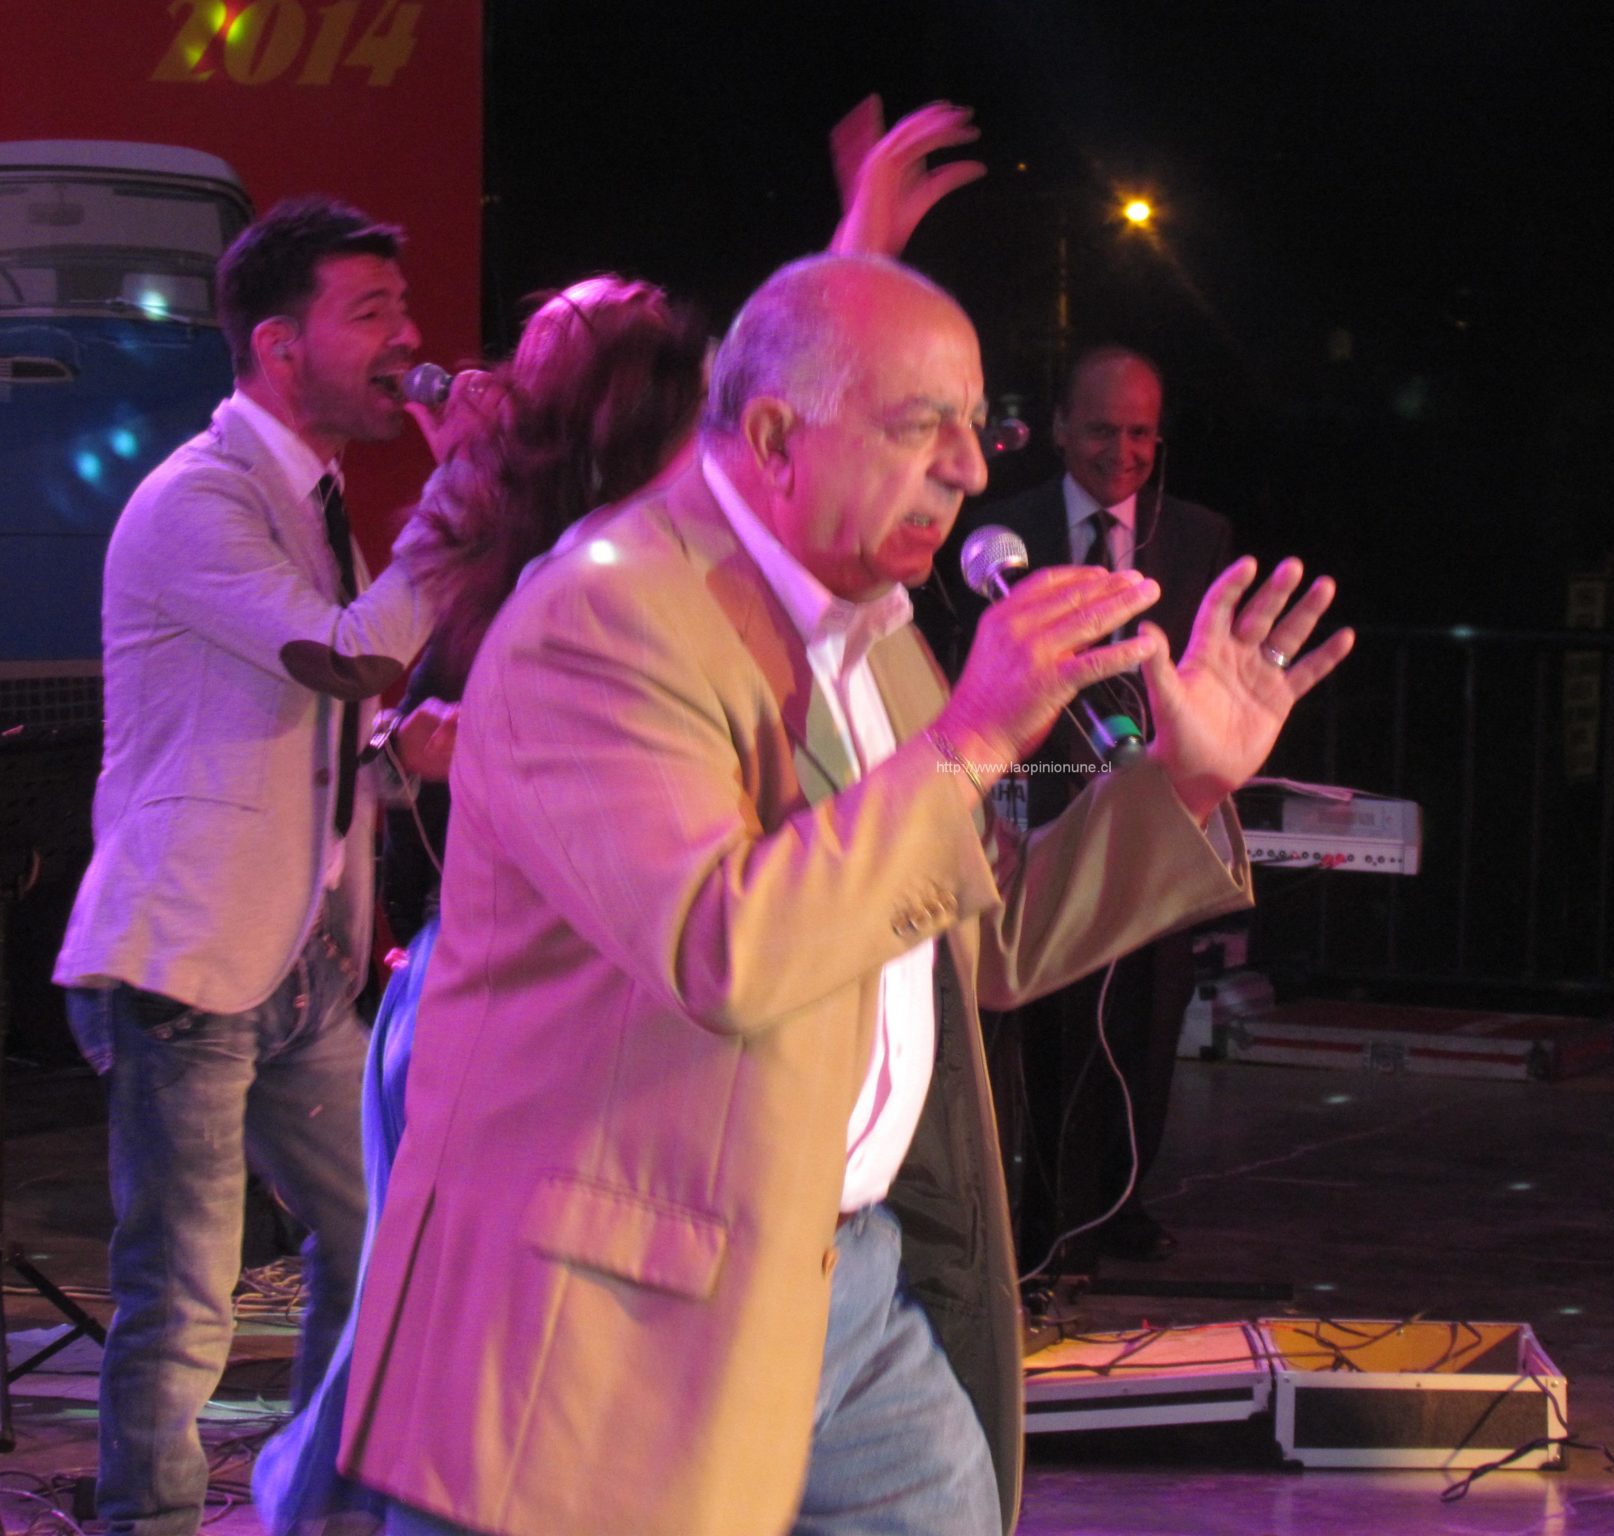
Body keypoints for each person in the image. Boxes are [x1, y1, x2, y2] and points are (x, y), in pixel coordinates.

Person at [337, 251, 1352, 1536]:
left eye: (974, 429)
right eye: (920, 427)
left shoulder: (869, 625)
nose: (972, 470)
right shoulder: (605, 620)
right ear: (772, 436)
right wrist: (974, 736)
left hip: (838, 1278)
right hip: (620, 1310)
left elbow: (983, 932)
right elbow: (727, 952)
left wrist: (1179, 785)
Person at [255, 98, 985, 1536]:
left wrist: (855, 266)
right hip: (541, 1005)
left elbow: (789, 420)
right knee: (455, 1319)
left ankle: (362, 1469)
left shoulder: (710, 555)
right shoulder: (583, 579)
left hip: (730, 1145)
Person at [51, 196, 471, 1536]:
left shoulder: (312, 500)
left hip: (296, 964)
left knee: (385, 1245)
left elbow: (296, 727)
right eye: (373, 316)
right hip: (184, 957)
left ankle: (321, 1502)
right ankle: (150, 1524)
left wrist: (401, 756)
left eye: (401, 314)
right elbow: (343, 654)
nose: (407, 342)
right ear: (279, 349)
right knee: (183, 1298)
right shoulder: (195, 500)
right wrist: (462, 494)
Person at [938, 345, 1235, 1272]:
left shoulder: (1197, 536)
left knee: (1150, 1010)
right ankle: (1038, 1206)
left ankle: (1122, 1199)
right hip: (1038, 811)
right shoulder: (999, 534)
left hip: (1149, 802)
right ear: (1061, 426)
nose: (1124, 450)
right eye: (1103, 428)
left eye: (1142, 431)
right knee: (1042, 1015)